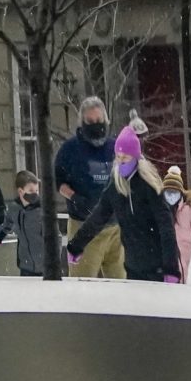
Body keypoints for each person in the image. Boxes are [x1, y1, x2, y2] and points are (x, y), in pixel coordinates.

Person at [66, 121, 181, 282]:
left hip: (158, 267)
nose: (121, 162)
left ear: (135, 157)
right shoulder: (116, 185)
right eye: (118, 157)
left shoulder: (148, 184)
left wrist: (171, 268)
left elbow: (166, 225)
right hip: (133, 267)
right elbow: (99, 216)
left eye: (125, 158)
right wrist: (76, 245)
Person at [53, 97, 122, 278]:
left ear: (106, 121)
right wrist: (74, 197)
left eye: (99, 121)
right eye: (90, 122)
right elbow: (58, 182)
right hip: (83, 226)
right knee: (81, 285)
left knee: (121, 286)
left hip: (116, 228)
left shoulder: (116, 147)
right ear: (82, 123)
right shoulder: (69, 150)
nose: (95, 125)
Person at [2, 170, 52, 277]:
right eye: (31, 190)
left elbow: (55, 236)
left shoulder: (43, 211)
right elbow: (8, 222)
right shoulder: (14, 208)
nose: (35, 193)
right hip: (25, 265)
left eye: (37, 190)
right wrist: (1, 234)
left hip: (44, 266)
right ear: (20, 191)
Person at [162, 166, 191, 280]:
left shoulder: (188, 210)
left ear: (180, 192)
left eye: (174, 192)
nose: (171, 195)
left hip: (189, 259)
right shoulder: (161, 211)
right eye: (167, 192)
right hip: (169, 262)